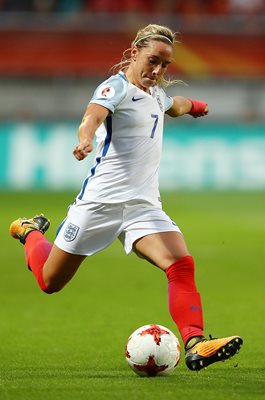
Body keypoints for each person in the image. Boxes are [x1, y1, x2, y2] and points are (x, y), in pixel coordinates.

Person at [9, 23, 243, 371]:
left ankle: (196, 343)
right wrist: (85, 138)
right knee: (48, 282)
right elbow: (92, 115)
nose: (158, 71)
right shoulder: (115, 87)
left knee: (180, 264)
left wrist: (195, 105)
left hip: (142, 207)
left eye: (165, 65)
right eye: (153, 61)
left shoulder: (155, 95)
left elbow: (174, 105)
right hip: (99, 205)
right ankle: (29, 231)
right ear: (134, 53)